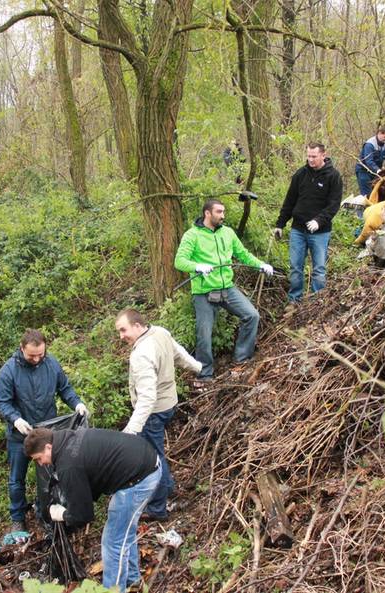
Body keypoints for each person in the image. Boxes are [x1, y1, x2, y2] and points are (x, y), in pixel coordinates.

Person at [25, 427, 161, 593]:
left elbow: (83, 515)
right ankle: (133, 580)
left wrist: (62, 514)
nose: (41, 463)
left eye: (39, 458)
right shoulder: (67, 437)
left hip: (140, 478)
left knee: (113, 542)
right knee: (124, 530)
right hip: (146, 460)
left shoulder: (68, 465)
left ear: (48, 447)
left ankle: (114, 590)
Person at [0, 328, 88, 532]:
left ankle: (45, 512)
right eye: (31, 355)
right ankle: (17, 519)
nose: (37, 359)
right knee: (16, 479)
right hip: (20, 436)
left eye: (40, 355)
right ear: (21, 349)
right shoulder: (9, 371)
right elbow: (2, 401)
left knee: (49, 477)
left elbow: (65, 389)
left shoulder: (51, 364)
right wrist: (15, 418)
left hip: (47, 433)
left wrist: (77, 404)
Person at [115, 308, 202, 521]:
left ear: (137, 325)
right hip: (169, 404)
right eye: (119, 331)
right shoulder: (160, 332)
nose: (121, 336)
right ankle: (168, 487)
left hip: (153, 412)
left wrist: (132, 429)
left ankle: (157, 508)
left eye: (124, 330)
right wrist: (197, 367)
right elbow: (179, 354)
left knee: (152, 459)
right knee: (157, 452)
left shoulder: (141, 354)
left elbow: (147, 398)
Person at [174, 199, 274, 382]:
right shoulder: (192, 235)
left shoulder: (227, 233)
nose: (223, 215)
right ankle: (205, 376)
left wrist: (260, 264)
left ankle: (241, 360)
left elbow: (242, 254)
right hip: (203, 292)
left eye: (223, 212)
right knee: (204, 334)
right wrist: (197, 266)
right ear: (207, 213)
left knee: (252, 315)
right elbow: (179, 261)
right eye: (219, 212)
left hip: (227, 288)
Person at [273, 142, 343, 305]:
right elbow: (289, 201)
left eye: (314, 156)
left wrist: (319, 221)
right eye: (308, 156)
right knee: (295, 267)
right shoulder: (300, 174)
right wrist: (280, 224)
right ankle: (294, 300)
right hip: (298, 229)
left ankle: (316, 303)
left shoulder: (333, 176)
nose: (310, 159)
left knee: (319, 269)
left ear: (323, 155)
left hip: (320, 232)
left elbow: (334, 204)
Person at [355, 127, 385, 198]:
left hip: (375, 173)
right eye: (384, 136)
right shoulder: (370, 144)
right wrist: (378, 170)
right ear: (379, 134)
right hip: (364, 171)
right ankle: (365, 209)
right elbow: (369, 161)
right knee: (367, 195)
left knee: (377, 194)